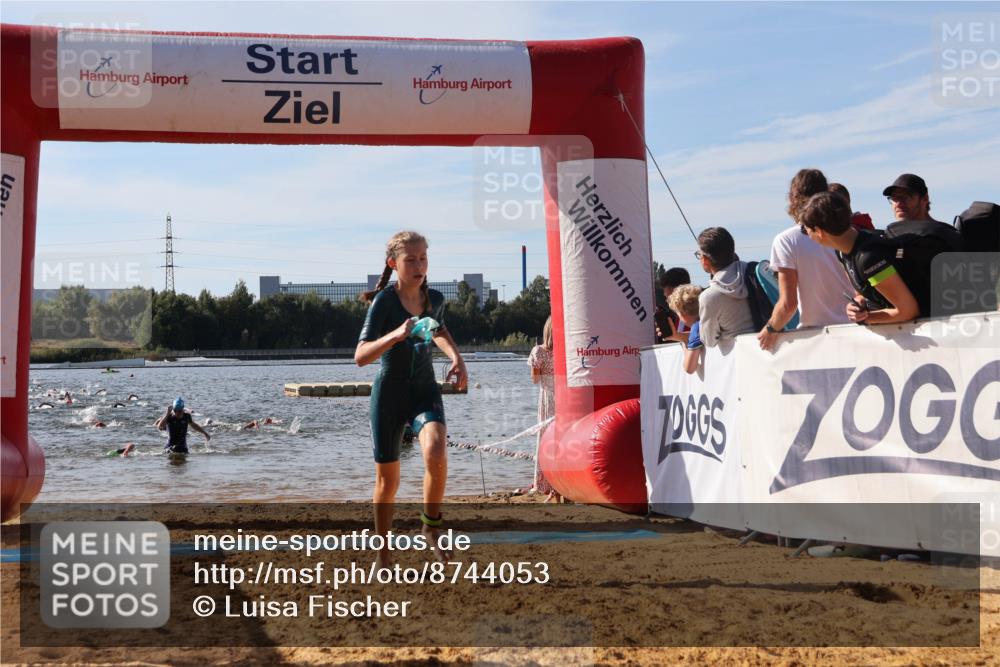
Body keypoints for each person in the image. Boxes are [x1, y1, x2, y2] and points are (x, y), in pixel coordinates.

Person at [355, 230, 468, 568]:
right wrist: (395, 335)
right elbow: (360, 356)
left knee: (435, 449)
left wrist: (457, 358)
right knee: (387, 483)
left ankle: (430, 527)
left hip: (423, 390)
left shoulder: (434, 297)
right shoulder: (384, 303)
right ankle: (383, 552)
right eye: (411, 260)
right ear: (394, 263)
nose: (419, 265)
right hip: (389, 394)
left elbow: (438, 329)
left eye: (423, 259)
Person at [758, 169, 854, 351]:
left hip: (817, 339)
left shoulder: (786, 240)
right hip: (857, 330)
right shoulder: (848, 232)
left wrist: (770, 329)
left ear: (793, 197)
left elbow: (788, 304)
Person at [799, 192, 920, 324]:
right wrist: (857, 303)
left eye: (805, 230)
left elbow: (908, 311)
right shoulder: (843, 251)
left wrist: (866, 318)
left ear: (819, 231)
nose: (807, 234)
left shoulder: (869, 258)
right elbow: (863, 292)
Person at [695, 227, 755, 347]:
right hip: (774, 349)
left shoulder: (709, 297)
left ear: (705, 259)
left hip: (737, 358)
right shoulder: (754, 272)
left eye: (699, 254)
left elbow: (709, 341)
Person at [527, 316, 560, 502]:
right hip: (565, 397)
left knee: (546, 439)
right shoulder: (564, 351)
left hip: (548, 398)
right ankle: (561, 484)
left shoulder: (539, 351)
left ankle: (545, 483)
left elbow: (535, 379)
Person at [668, 284, 704, 374]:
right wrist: (678, 336)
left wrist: (684, 342)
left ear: (683, 314)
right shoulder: (708, 320)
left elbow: (689, 368)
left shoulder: (696, 328)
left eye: (678, 314)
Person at [655, 268, 692, 344]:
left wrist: (677, 336)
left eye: (670, 297)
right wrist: (674, 336)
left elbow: (704, 336)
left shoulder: (698, 310)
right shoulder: (679, 314)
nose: (667, 300)